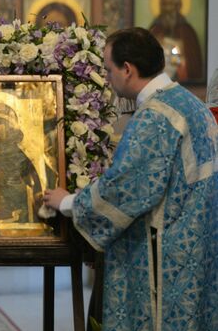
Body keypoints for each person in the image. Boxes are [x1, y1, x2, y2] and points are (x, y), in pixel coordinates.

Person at [43, 27, 217, 331]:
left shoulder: (155, 116)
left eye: (109, 69)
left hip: (165, 261)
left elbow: (126, 189)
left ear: (127, 69)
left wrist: (68, 202)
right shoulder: (192, 105)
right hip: (199, 251)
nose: (108, 78)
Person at [149, 0, 203, 82]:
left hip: (181, 75)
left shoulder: (187, 31)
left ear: (178, 6)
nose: (167, 8)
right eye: (164, 4)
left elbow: (193, 59)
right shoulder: (154, 29)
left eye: (170, 4)